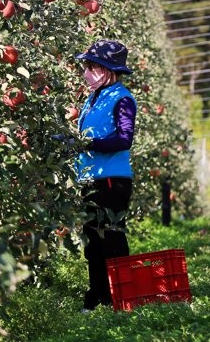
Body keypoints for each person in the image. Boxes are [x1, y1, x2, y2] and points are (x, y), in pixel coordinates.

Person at [73, 39, 137, 310]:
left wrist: (89, 143)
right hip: (90, 179)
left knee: (111, 238)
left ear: (109, 69)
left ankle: (121, 299)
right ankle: (97, 298)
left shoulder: (122, 98)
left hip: (111, 180)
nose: (87, 70)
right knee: (93, 242)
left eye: (92, 65)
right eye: (87, 65)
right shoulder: (92, 98)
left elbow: (124, 138)